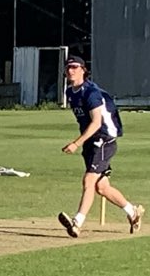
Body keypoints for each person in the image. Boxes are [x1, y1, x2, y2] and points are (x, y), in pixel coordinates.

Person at [57, 55, 142, 236]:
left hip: (103, 139)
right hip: (91, 142)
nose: (70, 71)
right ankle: (133, 212)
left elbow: (96, 123)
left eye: (74, 67)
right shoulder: (70, 92)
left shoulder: (91, 93)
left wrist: (75, 143)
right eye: (68, 68)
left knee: (88, 181)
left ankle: (77, 222)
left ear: (83, 70)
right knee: (101, 187)